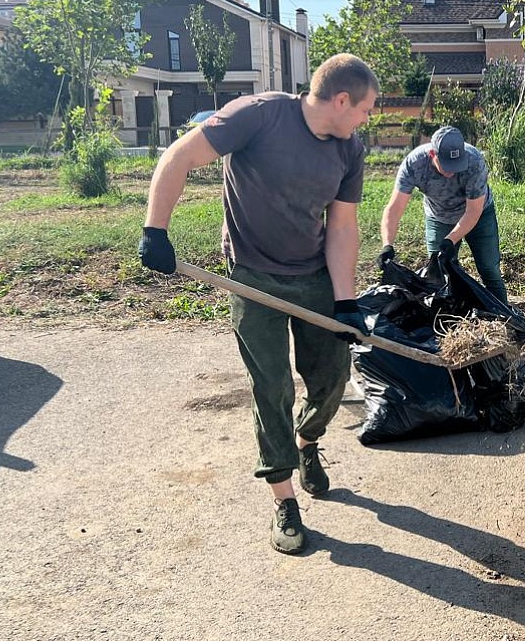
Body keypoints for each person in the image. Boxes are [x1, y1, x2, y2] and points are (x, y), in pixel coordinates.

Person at [137, 53, 379, 556]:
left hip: (313, 275)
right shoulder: (258, 115)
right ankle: (284, 499)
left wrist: (346, 301)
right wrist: (155, 230)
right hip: (253, 277)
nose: (367, 119)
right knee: (270, 387)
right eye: (366, 108)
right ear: (341, 100)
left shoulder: (348, 150)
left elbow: (342, 227)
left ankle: (308, 441)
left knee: (333, 376)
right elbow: (179, 157)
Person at [377, 126, 508, 303]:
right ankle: (450, 319)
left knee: (489, 269)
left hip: (479, 217)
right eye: (446, 165)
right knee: (439, 273)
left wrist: (450, 240)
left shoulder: (474, 161)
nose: (451, 171)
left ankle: (504, 317)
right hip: (439, 217)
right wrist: (387, 245)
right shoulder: (414, 164)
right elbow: (394, 209)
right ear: (432, 154)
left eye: (456, 165)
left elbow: (473, 212)